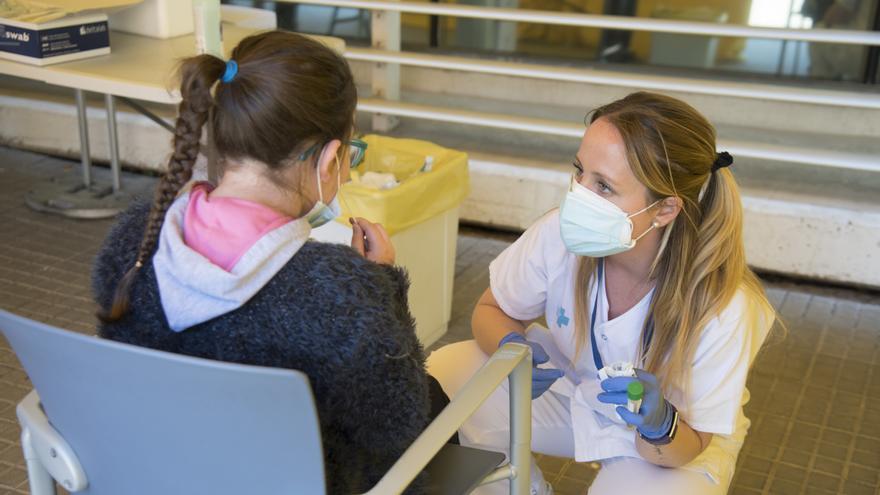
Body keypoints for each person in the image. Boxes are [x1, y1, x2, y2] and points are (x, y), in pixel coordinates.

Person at [91, 31, 437, 494]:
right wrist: (384, 285)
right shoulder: (343, 295)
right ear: (331, 158)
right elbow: (398, 429)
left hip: (150, 474)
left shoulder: (135, 239)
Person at [428, 92, 778, 495]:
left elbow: (689, 444)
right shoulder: (557, 235)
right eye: (580, 172)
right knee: (445, 378)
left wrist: (661, 423)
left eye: (604, 186)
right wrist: (512, 348)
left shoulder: (726, 307)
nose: (578, 195)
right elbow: (493, 308)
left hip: (674, 441)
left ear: (665, 210)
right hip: (574, 387)